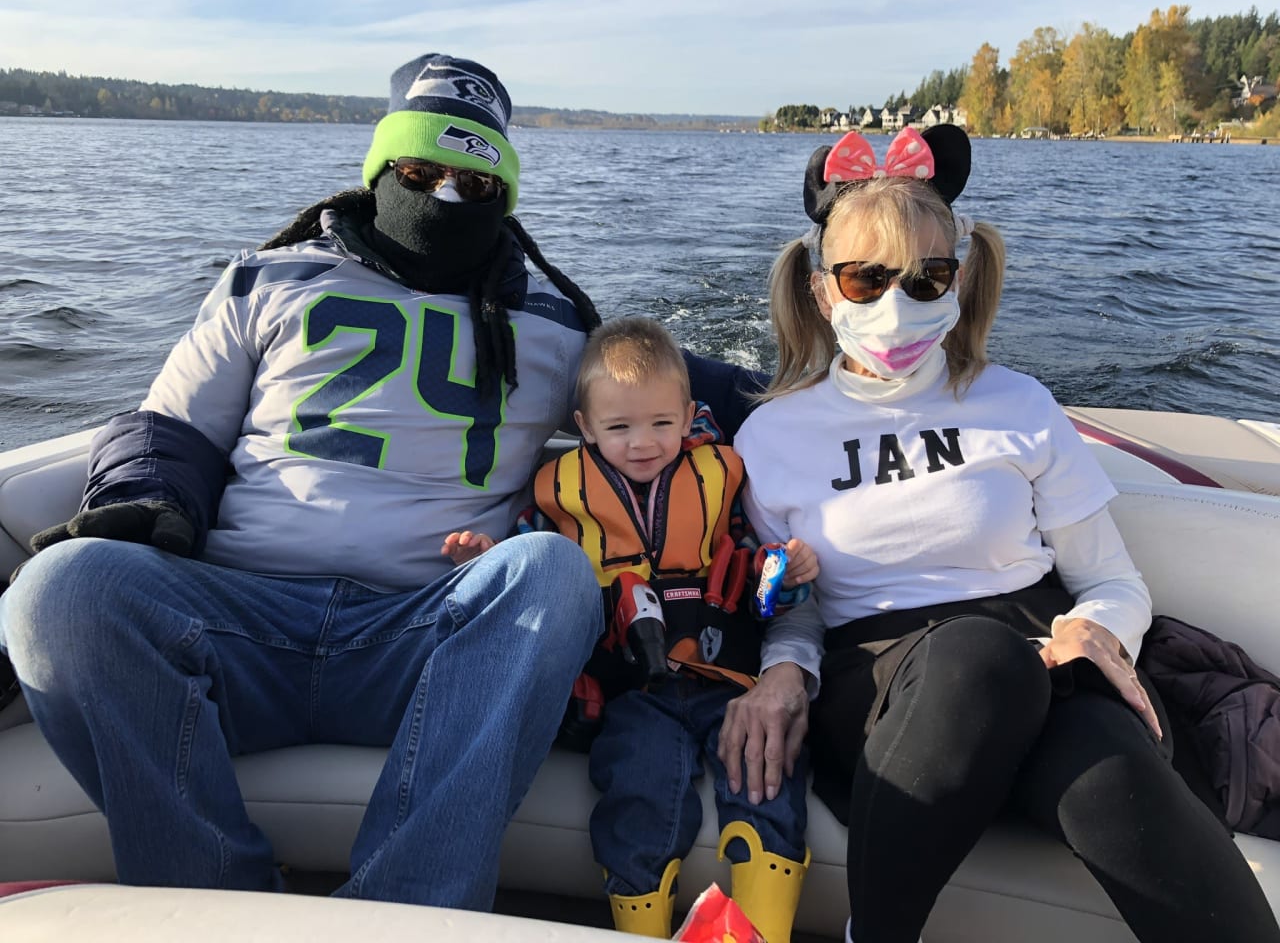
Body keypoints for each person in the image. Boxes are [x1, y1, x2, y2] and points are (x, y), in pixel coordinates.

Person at [1, 52, 611, 911]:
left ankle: (406, 917)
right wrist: (147, 510)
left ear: (505, 200)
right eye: (419, 171)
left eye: (475, 187)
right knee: (58, 590)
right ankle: (208, 901)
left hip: (427, 641)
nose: (444, 198)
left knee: (549, 571)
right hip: (234, 621)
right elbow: (167, 432)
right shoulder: (269, 276)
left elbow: (671, 394)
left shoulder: (556, 327)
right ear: (376, 172)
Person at [715, 126, 1280, 943]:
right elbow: (791, 600)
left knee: (1110, 778)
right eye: (865, 279)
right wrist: (780, 673)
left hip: (1045, 656)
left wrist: (1099, 633)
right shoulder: (770, 436)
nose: (894, 306)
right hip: (877, 684)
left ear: (960, 278)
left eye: (925, 277)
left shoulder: (1019, 405)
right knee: (979, 656)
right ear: (819, 291)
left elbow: (1115, 583)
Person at [444, 317, 816, 942]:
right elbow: (527, 565)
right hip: (630, 693)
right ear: (584, 428)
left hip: (725, 678)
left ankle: (762, 933)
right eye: (619, 428)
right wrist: (485, 559)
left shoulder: (723, 480)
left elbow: (755, 567)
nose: (643, 443)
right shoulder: (557, 495)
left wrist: (787, 572)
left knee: (768, 779)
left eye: (661, 425)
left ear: (689, 415)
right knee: (637, 794)